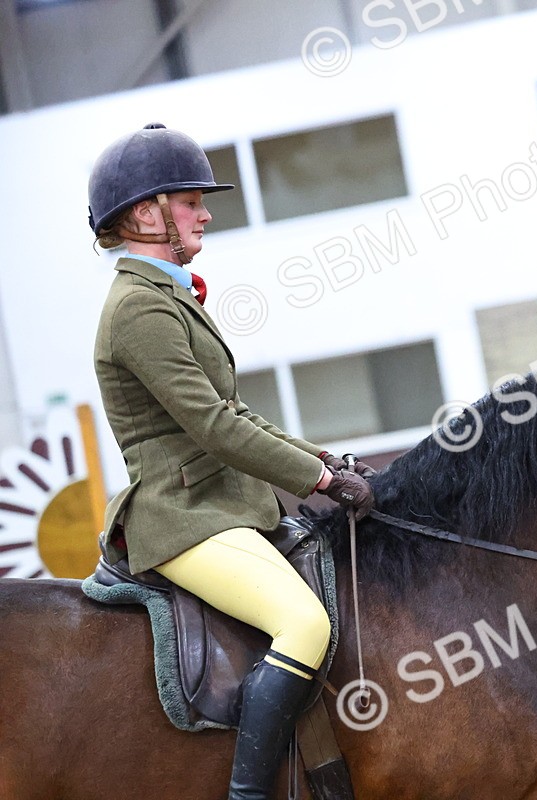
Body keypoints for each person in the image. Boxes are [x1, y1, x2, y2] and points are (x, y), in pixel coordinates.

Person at [88, 123, 375, 799]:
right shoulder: (136, 310)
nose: (206, 213)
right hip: (182, 514)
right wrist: (322, 481)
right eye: (190, 200)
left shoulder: (168, 295)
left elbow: (236, 413)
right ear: (143, 214)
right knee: (304, 624)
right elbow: (214, 428)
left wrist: (328, 461)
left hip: (224, 503)